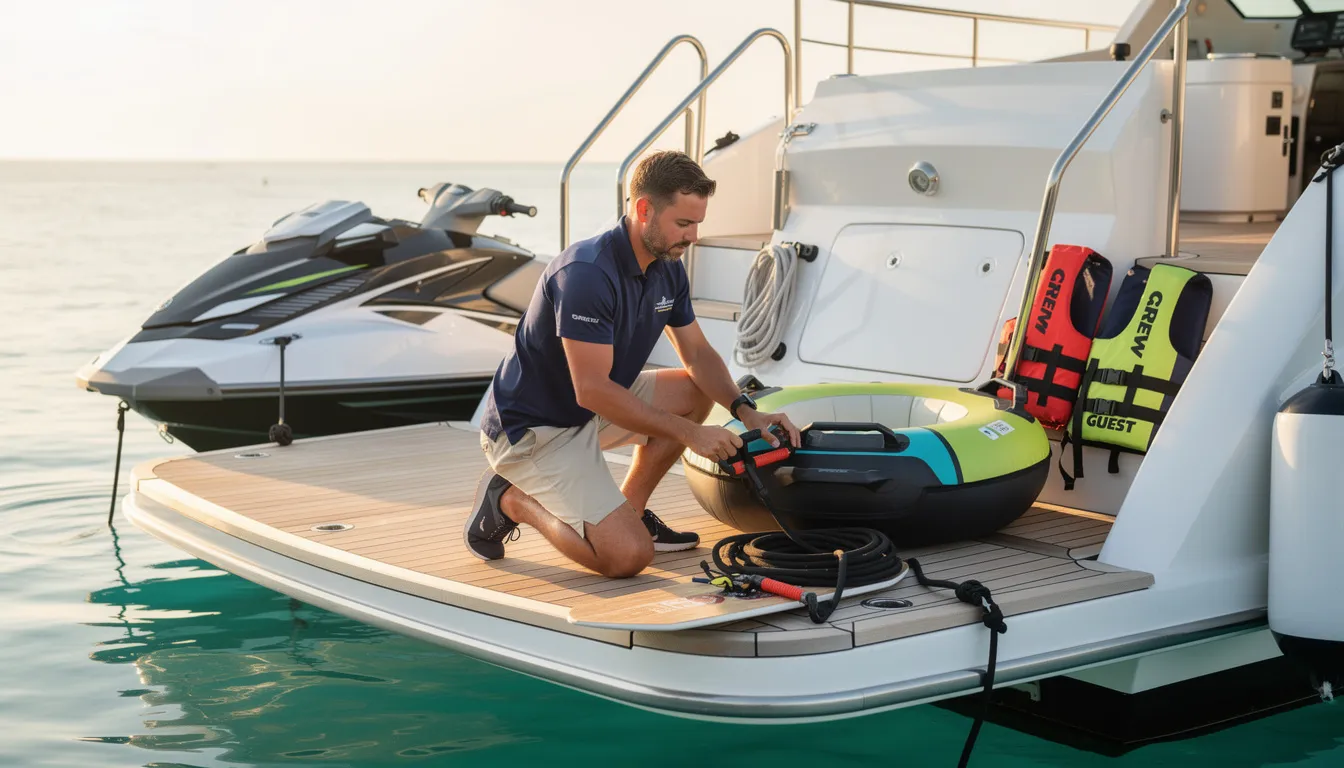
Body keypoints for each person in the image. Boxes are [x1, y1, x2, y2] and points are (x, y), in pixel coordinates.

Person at [465, 150, 800, 578]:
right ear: (644, 210)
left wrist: (747, 412)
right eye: (684, 223)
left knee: (694, 389)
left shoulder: (668, 266)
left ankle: (632, 511)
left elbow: (697, 354)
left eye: (698, 223)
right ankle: (510, 499)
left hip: (590, 411)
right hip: (533, 431)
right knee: (627, 557)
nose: (694, 236)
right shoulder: (586, 273)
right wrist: (691, 434)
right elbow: (592, 390)